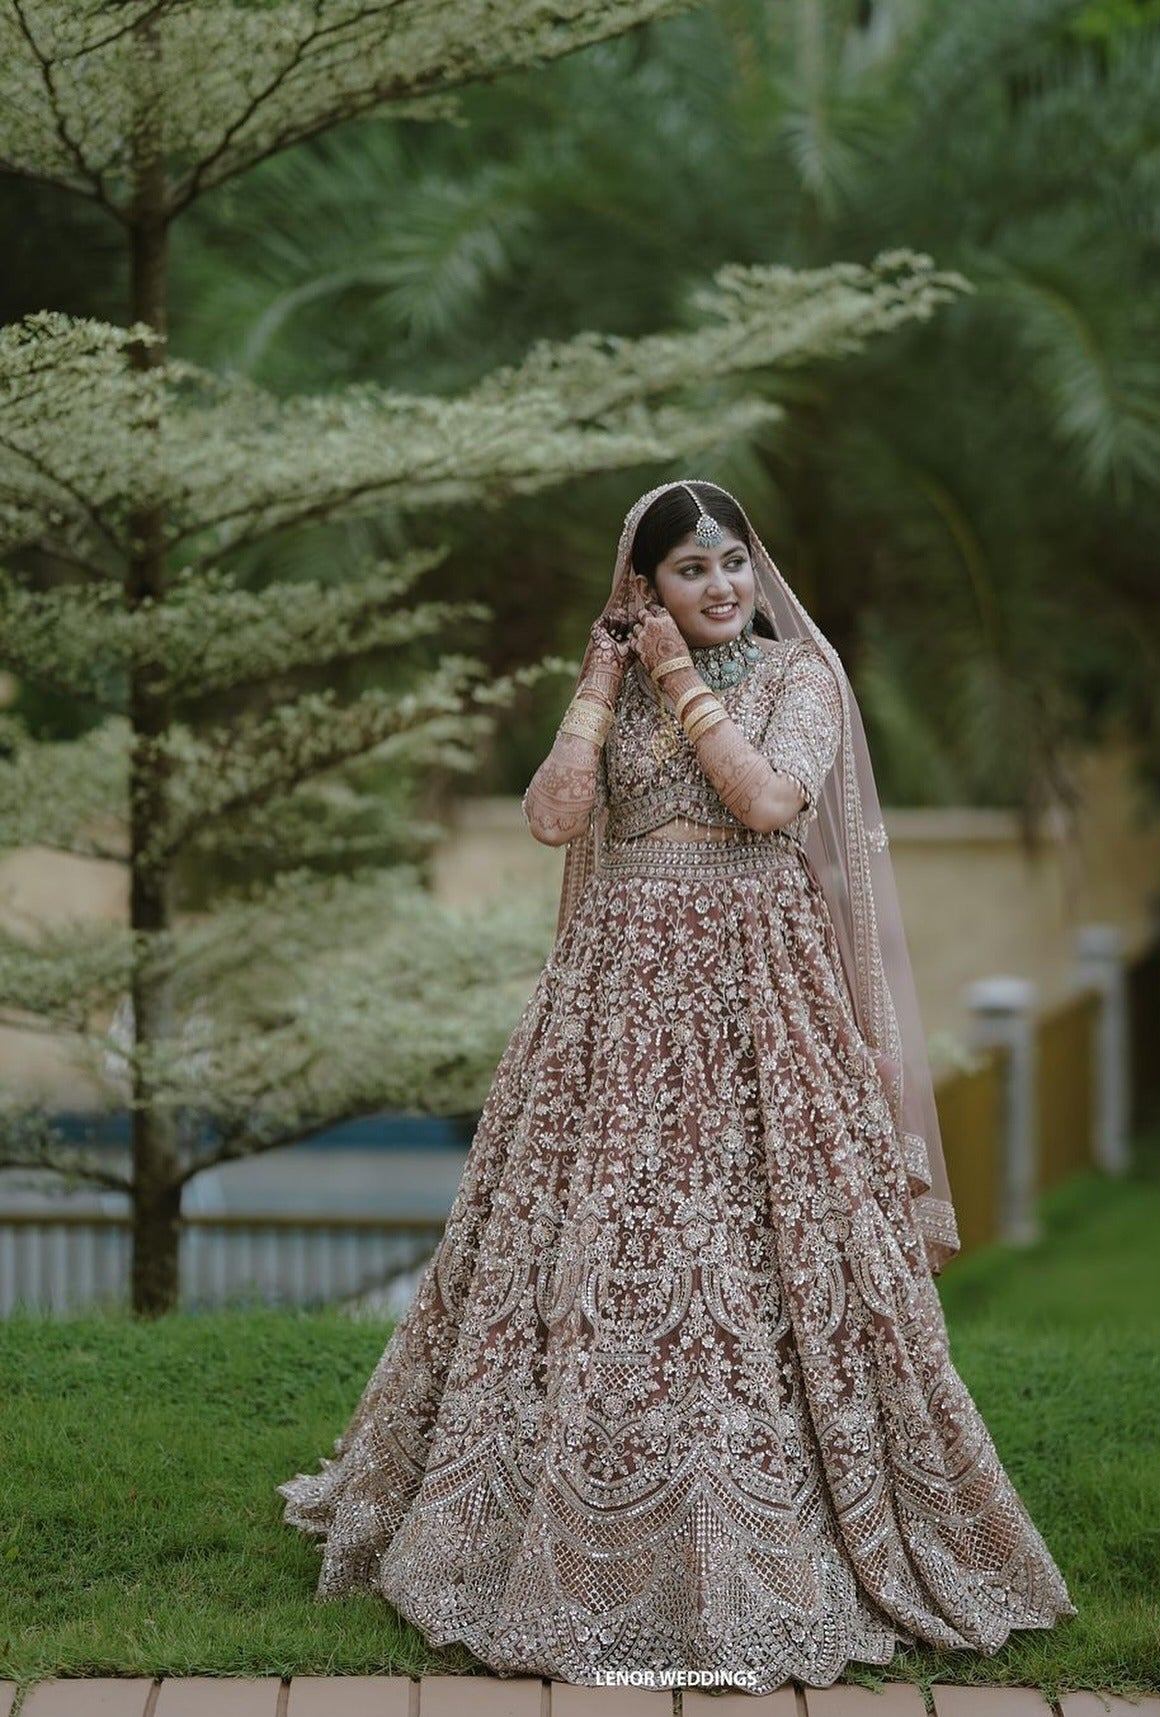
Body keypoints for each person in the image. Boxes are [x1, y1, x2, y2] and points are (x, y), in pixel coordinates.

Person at [276, 478, 1077, 1694]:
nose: (721, 586)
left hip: (759, 993)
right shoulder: (619, 678)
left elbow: (767, 801)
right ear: (643, 584)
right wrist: (600, 686)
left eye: (733, 562)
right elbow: (554, 819)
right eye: (690, 569)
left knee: (758, 1241)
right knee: (603, 1241)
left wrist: (675, 680)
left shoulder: (801, 675)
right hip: (615, 999)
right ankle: (575, 1515)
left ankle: (771, 1517)